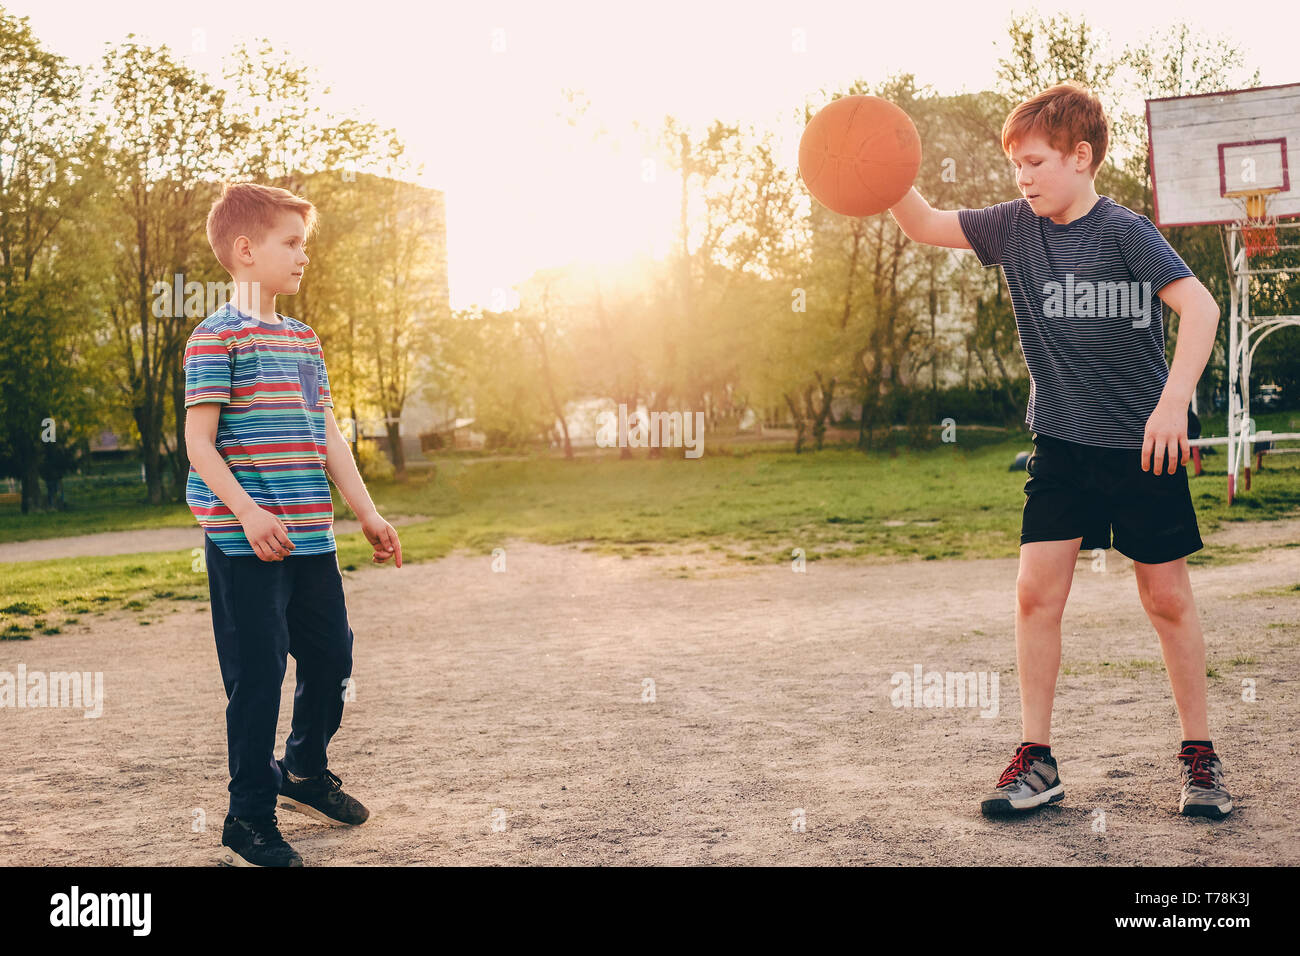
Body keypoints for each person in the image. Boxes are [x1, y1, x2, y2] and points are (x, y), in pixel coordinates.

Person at [889, 81, 1231, 820]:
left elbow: (1200, 307)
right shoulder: (1014, 227)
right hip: (1062, 448)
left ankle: (1200, 760)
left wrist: (1174, 404)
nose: (1024, 176)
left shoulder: (1125, 231)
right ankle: (1036, 761)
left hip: (1141, 446)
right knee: (1035, 596)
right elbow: (921, 222)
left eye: (1036, 161)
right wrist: (880, 167)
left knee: (1165, 598)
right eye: (1016, 163)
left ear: (1081, 158)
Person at [184, 182, 404, 865]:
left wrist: (366, 510)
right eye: (291, 242)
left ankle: (303, 769)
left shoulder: (304, 342)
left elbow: (326, 433)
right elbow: (198, 444)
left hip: (312, 538)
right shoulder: (215, 337)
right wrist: (246, 511)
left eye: (303, 243)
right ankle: (247, 817)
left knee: (334, 661)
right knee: (257, 678)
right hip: (246, 542)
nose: (303, 255)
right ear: (246, 251)